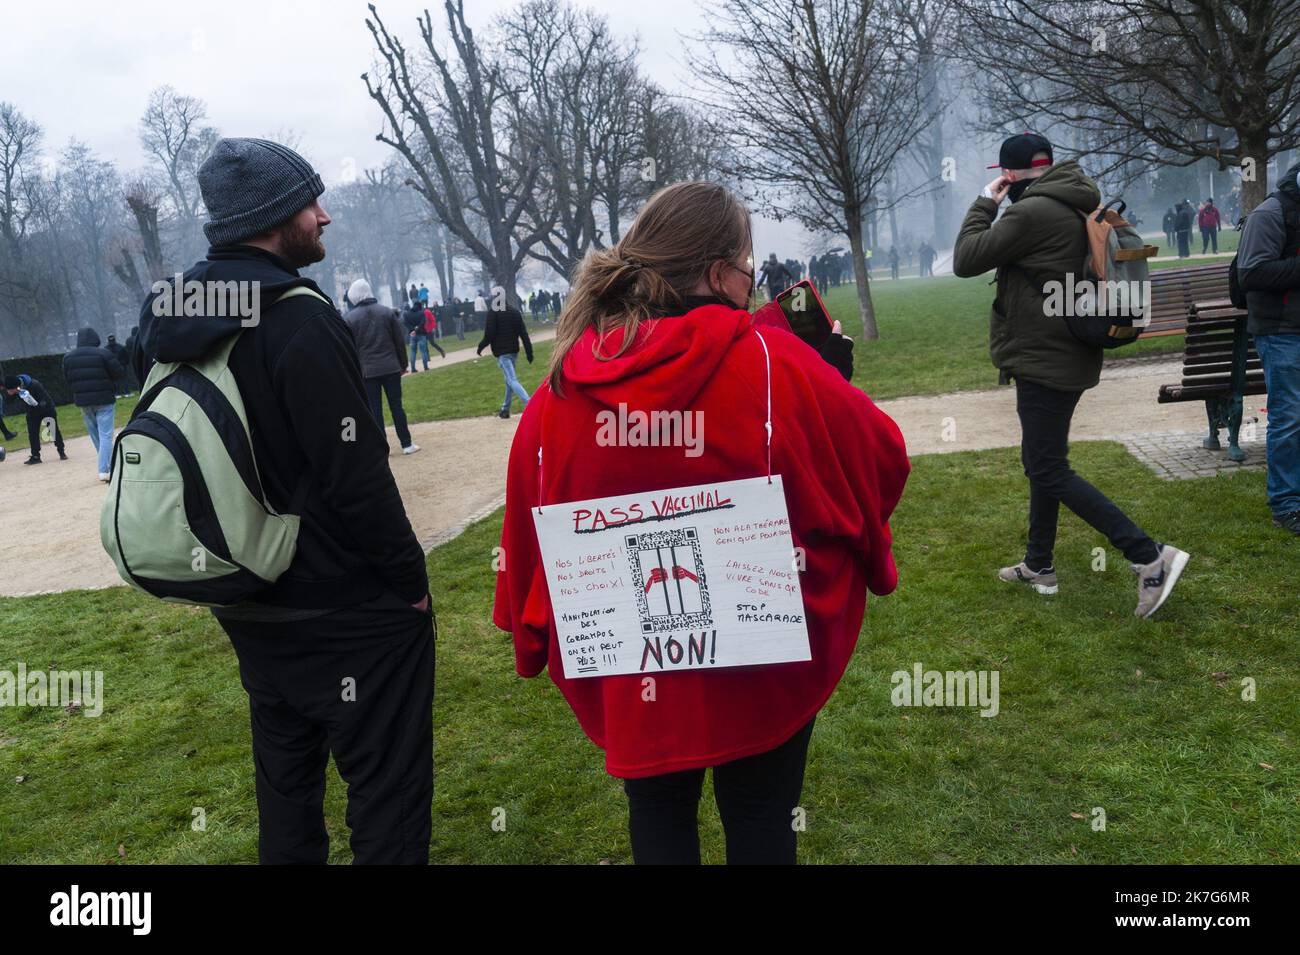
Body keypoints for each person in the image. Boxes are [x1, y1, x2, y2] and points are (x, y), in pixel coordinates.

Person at [492, 180, 908, 865]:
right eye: (749, 267)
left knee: (657, 817)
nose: (753, 283)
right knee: (762, 818)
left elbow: (527, 524)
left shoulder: (560, 387)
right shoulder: (777, 362)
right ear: (719, 273)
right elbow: (883, 456)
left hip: (637, 670)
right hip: (761, 665)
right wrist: (832, 381)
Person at [132, 137, 434, 864]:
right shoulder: (297, 317)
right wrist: (410, 583)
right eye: (311, 202)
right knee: (386, 797)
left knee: (287, 797)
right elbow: (356, 475)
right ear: (273, 218)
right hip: (348, 609)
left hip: (247, 592)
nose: (324, 216)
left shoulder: (177, 318)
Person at [952, 132, 1189, 618]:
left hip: (1044, 358)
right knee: (1045, 461)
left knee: (1047, 467)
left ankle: (1148, 555)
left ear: (1010, 173)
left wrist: (983, 203)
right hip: (1069, 351)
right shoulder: (1080, 200)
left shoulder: (1030, 212)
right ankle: (1039, 564)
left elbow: (965, 260)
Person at [1235, 161, 1300, 536]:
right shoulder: (1270, 214)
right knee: (1289, 419)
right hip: (1282, 332)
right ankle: (1287, 504)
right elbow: (1252, 274)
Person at [344, 278, 420, 455]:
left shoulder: (349, 319)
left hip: (367, 371)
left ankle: (382, 448)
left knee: (375, 411)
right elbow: (399, 342)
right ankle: (407, 444)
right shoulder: (386, 313)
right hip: (391, 367)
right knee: (396, 407)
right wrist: (403, 364)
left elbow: (350, 349)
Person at [62, 326, 126, 481]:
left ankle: (107, 465)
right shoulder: (103, 353)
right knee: (105, 435)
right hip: (104, 399)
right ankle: (104, 469)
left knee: (96, 435)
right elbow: (118, 373)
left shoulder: (68, 357)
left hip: (83, 401)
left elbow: (67, 378)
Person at [476, 288, 533, 418]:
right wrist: (529, 352)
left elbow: (489, 334)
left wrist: (480, 347)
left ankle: (530, 404)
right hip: (513, 351)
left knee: (512, 380)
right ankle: (505, 409)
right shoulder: (514, 312)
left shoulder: (493, 313)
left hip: (502, 352)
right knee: (509, 380)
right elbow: (523, 334)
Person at [2, 373, 65, 465]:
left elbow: (44, 399)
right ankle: (35, 456)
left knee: (53, 430)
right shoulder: (16, 390)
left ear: (16, 386)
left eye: (10, 390)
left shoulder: (34, 384)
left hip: (47, 410)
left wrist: (39, 406)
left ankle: (61, 452)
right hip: (31, 412)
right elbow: (8, 402)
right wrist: (12, 394)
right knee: (32, 434)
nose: (9, 391)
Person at [402, 300, 431, 372]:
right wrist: (417, 328)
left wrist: (412, 329)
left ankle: (413, 368)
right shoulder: (421, 313)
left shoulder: (407, 314)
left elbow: (405, 323)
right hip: (421, 333)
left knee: (413, 352)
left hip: (412, 334)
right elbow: (423, 322)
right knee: (423, 351)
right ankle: (425, 367)